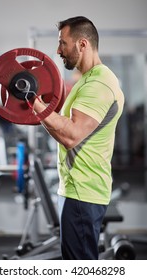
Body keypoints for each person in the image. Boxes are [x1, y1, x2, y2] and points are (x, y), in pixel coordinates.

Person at [33, 16, 124, 260]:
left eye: (63, 43)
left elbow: (71, 135)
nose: (58, 50)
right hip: (77, 190)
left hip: (83, 193)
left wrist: (35, 103)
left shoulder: (98, 85)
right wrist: (37, 107)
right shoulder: (88, 80)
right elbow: (64, 134)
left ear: (82, 44)